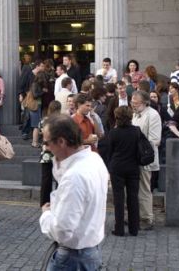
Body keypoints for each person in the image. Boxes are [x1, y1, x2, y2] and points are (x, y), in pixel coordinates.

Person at [39, 114, 108, 270]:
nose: (46, 148)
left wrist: (46, 215)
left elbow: (62, 231)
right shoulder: (94, 159)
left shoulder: (74, 177)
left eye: (47, 142)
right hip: (90, 251)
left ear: (62, 142)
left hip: (72, 258)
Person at [131, 90, 162, 231]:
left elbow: (154, 140)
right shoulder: (136, 114)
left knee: (144, 189)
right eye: (132, 102)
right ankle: (136, 215)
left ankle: (147, 218)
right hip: (134, 158)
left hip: (145, 158)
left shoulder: (152, 115)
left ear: (144, 103)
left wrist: (138, 147)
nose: (133, 105)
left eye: (136, 103)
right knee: (135, 189)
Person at [108, 106, 140, 236]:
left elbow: (109, 151)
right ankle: (134, 228)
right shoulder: (136, 131)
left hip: (117, 167)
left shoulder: (113, 132)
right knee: (133, 197)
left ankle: (119, 228)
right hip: (133, 167)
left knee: (118, 198)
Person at [38, 100, 61, 207]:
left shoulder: (44, 121)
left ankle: (44, 203)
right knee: (59, 179)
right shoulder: (60, 121)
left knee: (45, 179)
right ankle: (57, 201)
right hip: (58, 152)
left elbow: (39, 133)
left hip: (46, 152)